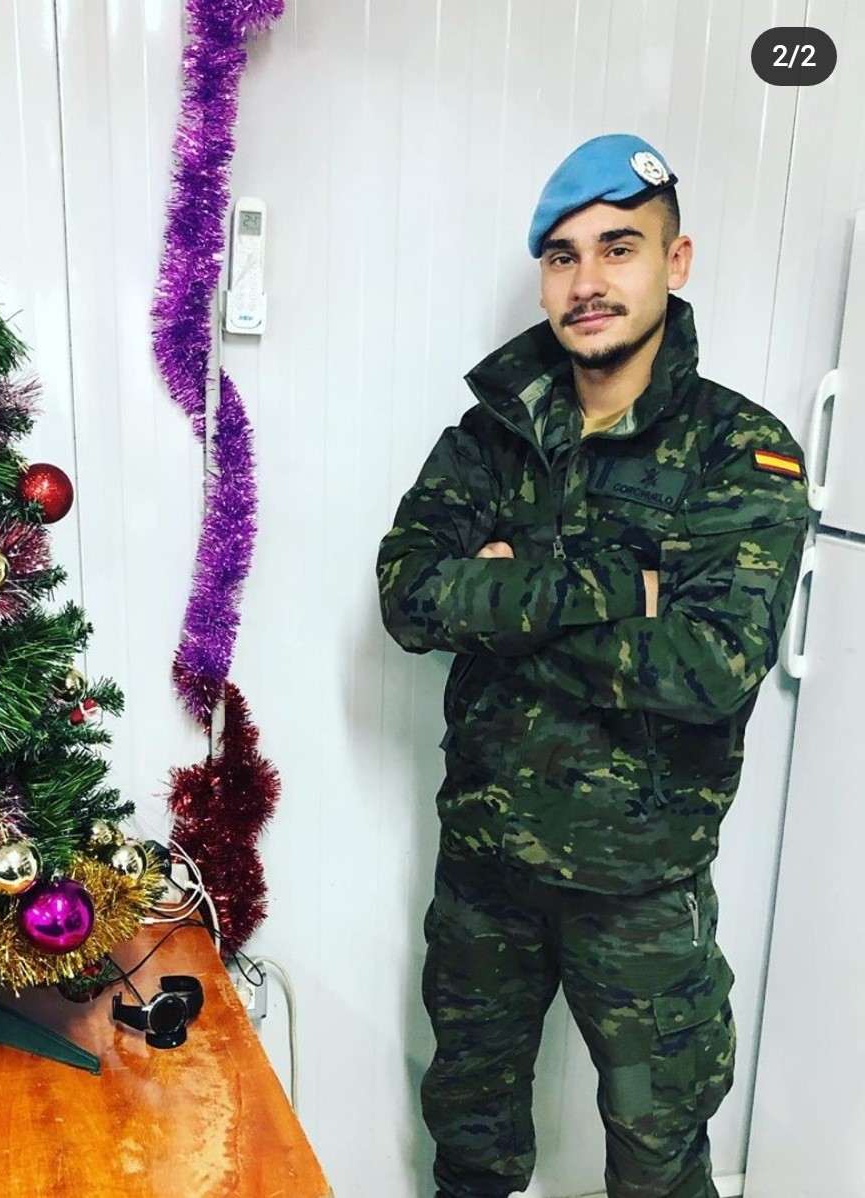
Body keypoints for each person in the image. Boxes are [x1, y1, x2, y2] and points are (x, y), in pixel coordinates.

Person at [375, 133, 811, 1198]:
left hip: (641, 891)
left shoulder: (741, 452)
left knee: (659, 1162)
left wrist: (504, 597)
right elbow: (409, 595)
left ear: (676, 260)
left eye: (619, 247)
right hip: (486, 874)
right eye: (563, 256)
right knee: (470, 1147)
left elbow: (709, 664)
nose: (587, 282)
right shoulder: (490, 438)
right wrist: (623, 589)